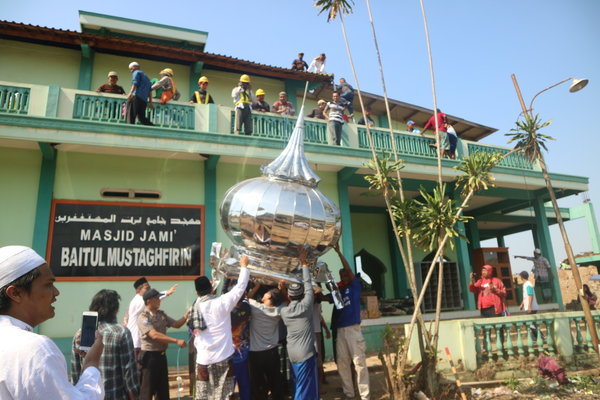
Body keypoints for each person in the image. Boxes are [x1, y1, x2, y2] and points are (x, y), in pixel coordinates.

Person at [0, 245, 104, 399]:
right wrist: (91, 364)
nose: (56, 292)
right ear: (15, 293)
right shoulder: (34, 349)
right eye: (48, 284)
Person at [192, 255, 250, 400]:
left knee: (203, 396)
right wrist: (244, 266)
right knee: (224, 395)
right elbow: (240, 287)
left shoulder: (196, 306)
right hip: (223, 359)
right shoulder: (222, 303)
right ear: (211, 288)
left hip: (203, 360)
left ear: (197, 293)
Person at [71, 289, 139, 400]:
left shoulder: (80, 335)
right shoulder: (121, 332)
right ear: (115, 310)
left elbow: (75, 374)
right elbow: (129, 375)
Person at [330, 244, 370, 400]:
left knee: (359, 363)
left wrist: (339, 253)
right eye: (342, 276)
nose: (344, 277)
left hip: (353, 330)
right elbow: (326, 298)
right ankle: (349, 393)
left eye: (346, 275)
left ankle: (365, 396)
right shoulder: (339, 292)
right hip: (340, 331)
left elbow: (348, 269)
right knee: (342, 363)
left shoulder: (355, 287)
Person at [280, 247, 318, 400]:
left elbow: (288, 301)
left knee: (300, 385)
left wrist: (282, 289)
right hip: (305, 354)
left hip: (293, 354)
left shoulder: (284, 312)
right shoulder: (306, 306)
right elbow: (309, 285)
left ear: (289, 296)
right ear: (302, 295)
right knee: (303, 389)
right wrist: (304, 263)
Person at [137, 288, 188, 400]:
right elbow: (154, 335)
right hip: (149, 357)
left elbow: (176, 324)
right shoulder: (143, 317)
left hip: (161, 356)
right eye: (157, 298)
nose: (159, 300)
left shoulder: (161, 315)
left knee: (162, 391)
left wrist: (187, 314)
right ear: (149, 300)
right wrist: (176, 341)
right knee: (147, 391)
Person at [247, 282, 285, 400]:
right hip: (272, 352)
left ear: (269, 297)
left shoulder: (257, 308)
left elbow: (245, 298)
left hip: (256, 354)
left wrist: (257, 286)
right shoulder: (278, 310)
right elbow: (286, 301)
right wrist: (282, 289)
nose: (264, 293)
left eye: (266, 293)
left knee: (258, 385)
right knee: (275, 382)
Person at [123, 277, 178, 354]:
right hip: (135, 343)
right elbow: (151, 299)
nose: (149, 290)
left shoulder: (137, 301)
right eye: (147, 288)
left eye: (150, 288)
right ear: (138, 290)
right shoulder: (138, 300)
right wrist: (166, 293)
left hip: (138, 342)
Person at [227, 280, 252, 400]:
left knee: (230, 383)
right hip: (245, 348)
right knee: (244, 381)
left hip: (231, 351)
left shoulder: (229, 310)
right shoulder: (247, 307)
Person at [126, 61, 154, 125]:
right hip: (144, 100)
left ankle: (129, 129)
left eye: (131, 69)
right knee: (141, 117)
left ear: (135, 67)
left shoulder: (136, 72)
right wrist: (150, 102)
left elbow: (135, 83)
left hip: (136, 97)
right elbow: (149, 91)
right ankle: (152, 127)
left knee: (131, 115)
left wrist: (130, 93)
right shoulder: (147, 78)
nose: (131, 71)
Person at [518, 271, 541, 340]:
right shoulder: (525, 285)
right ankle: (535, 337)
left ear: (522, 277)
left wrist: (529, 306)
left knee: (529, 323)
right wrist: (522, 304)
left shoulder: (528, 284)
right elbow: (526, 296)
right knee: (531, 323)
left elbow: (530, 295)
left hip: (531, 307)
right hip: (529, 306)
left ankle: (539, 336)